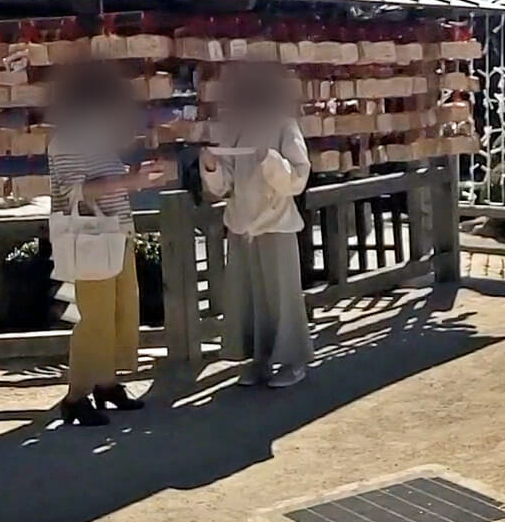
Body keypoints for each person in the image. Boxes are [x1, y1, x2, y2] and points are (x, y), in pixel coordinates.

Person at [47, 61, 172, 427]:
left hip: (113, 235)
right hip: (90, 239)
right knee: (93, 320)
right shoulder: (68, 139)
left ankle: (107, 382)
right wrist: (132, 183)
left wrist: (136, 177)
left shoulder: (95, 136)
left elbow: (109, 179)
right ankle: (76, 395)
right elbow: (79, 191)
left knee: (120, 313)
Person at [200, 64, 313, 387]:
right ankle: (259, 360)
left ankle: (294, 361)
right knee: (249, 297)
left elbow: (298, 177)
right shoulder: (237, 129)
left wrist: (271, 159)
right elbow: (226, 184)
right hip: (240, 225)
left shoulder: (285, 126)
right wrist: (211, 167)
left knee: (282, 297)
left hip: (275, 223)